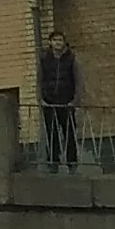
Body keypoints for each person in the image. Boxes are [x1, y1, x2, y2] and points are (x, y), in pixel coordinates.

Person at [35, 25, 83, 169]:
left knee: (69, 134)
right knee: (52, 134)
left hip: (66, 103)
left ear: (64, 42)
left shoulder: (71, 58)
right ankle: (53, 162)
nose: (57, 43)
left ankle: (72, 163)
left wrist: (75, 101)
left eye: (60, 40)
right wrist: (40, 99)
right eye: (55, 40)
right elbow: (39, 80)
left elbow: (78, 80)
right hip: (49, 103)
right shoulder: (44, 59)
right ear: (50, 42)